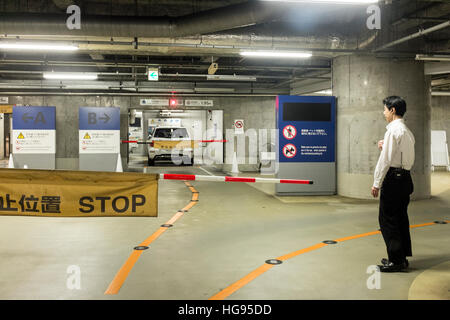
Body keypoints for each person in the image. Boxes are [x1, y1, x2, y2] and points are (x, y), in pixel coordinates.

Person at [371, 96, 415, 272]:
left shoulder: (392, 131)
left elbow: (386, 160)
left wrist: (376, 183)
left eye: (385, 109)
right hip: (405, 179)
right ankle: (401, 257)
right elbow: (403, 156)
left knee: (387, 219)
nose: (384, 113)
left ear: (392, 110)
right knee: (401, 218)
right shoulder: (407, 131)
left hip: (393, 180)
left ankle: (395, 261)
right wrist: (385, 147)